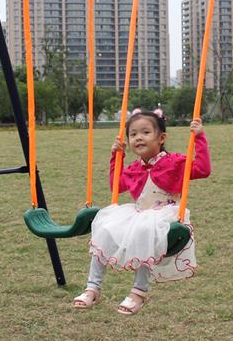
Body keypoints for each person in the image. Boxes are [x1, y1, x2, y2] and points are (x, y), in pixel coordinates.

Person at [73, 108, 211, 315]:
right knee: (104, 228)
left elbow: (203, 169)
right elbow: (116, 186)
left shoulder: (175, 162)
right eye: (133, 134)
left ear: (161, 137)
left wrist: (199, 137)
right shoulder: (133, 167)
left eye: (145, 132)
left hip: (165, 216)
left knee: (145, 231)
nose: (138, 138)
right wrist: (115, 157)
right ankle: (92, 288)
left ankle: (139, 292)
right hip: (138, 213)